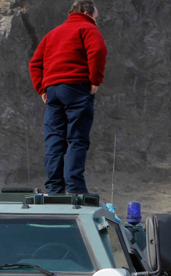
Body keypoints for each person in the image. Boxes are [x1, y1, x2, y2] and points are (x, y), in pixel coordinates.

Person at [28, 0, 107, 195]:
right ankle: (75, 187)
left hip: (53, 91)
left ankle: (55, 188)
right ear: (88, 11)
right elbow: (97, 50)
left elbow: (34, 63)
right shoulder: (87, 28)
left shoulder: (52, 34)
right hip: (77, 88)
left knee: (54, 140)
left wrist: (42, 89)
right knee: (77, 139)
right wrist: (95, 80)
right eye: (96, 13)